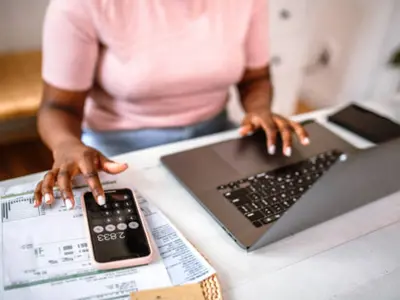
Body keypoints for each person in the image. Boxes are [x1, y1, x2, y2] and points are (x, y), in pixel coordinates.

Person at [34, 0, 310, 210]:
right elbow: (59, 107)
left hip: (213, 138)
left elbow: (256, 78)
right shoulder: (81, 6)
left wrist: (259, 109)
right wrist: (66, 144)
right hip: (117, 155)